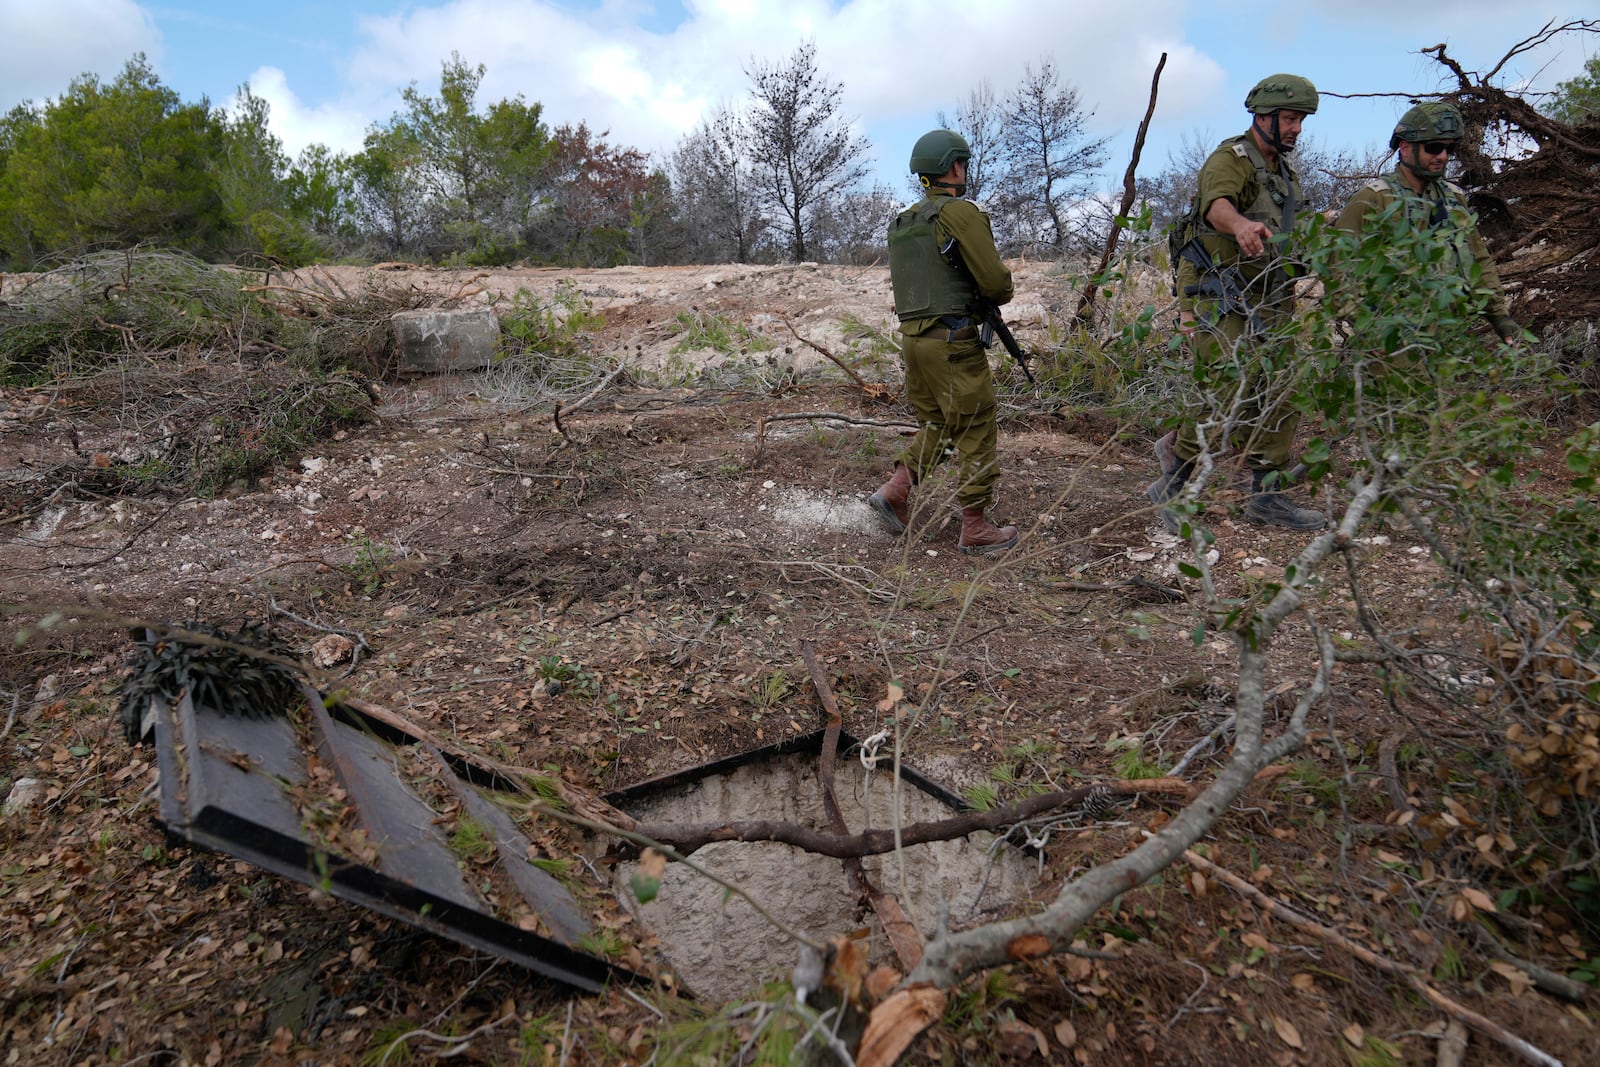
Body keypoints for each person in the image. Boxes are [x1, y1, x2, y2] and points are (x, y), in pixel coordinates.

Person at [1149, 74, 1326, 534]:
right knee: (1223, 394)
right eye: (1290, 119)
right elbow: (1216, 207)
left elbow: (1303, 230)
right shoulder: (1232, 159)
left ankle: (1267, 499)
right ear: (1262, 117)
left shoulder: (1284, 174)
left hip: (1271, 298)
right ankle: (1173, 488)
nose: (1296, 129)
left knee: (1279, 393)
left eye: (1301, 120)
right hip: (1224, 296)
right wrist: (1241, 225)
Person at [868, 129, 1019, 556]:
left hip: (914, 344)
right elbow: (996, 283)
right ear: (955, 167)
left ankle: (895, 491)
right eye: (964, 164)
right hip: (953, 343)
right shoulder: (960, 214)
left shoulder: (904, 222)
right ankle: (976, 527)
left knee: (939, 424)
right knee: (975, 426)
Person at [1332, 101, 1521, 343]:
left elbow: (1477, 258)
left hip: (1449, 336)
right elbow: (1339, 271)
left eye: (1448, 149)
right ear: (1405, 148)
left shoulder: (1454, 198)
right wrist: (1373, 332)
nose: (1442, 156)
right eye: (1433, 148)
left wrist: (1500, 318)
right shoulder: (1373, 199)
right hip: (1392, 340)